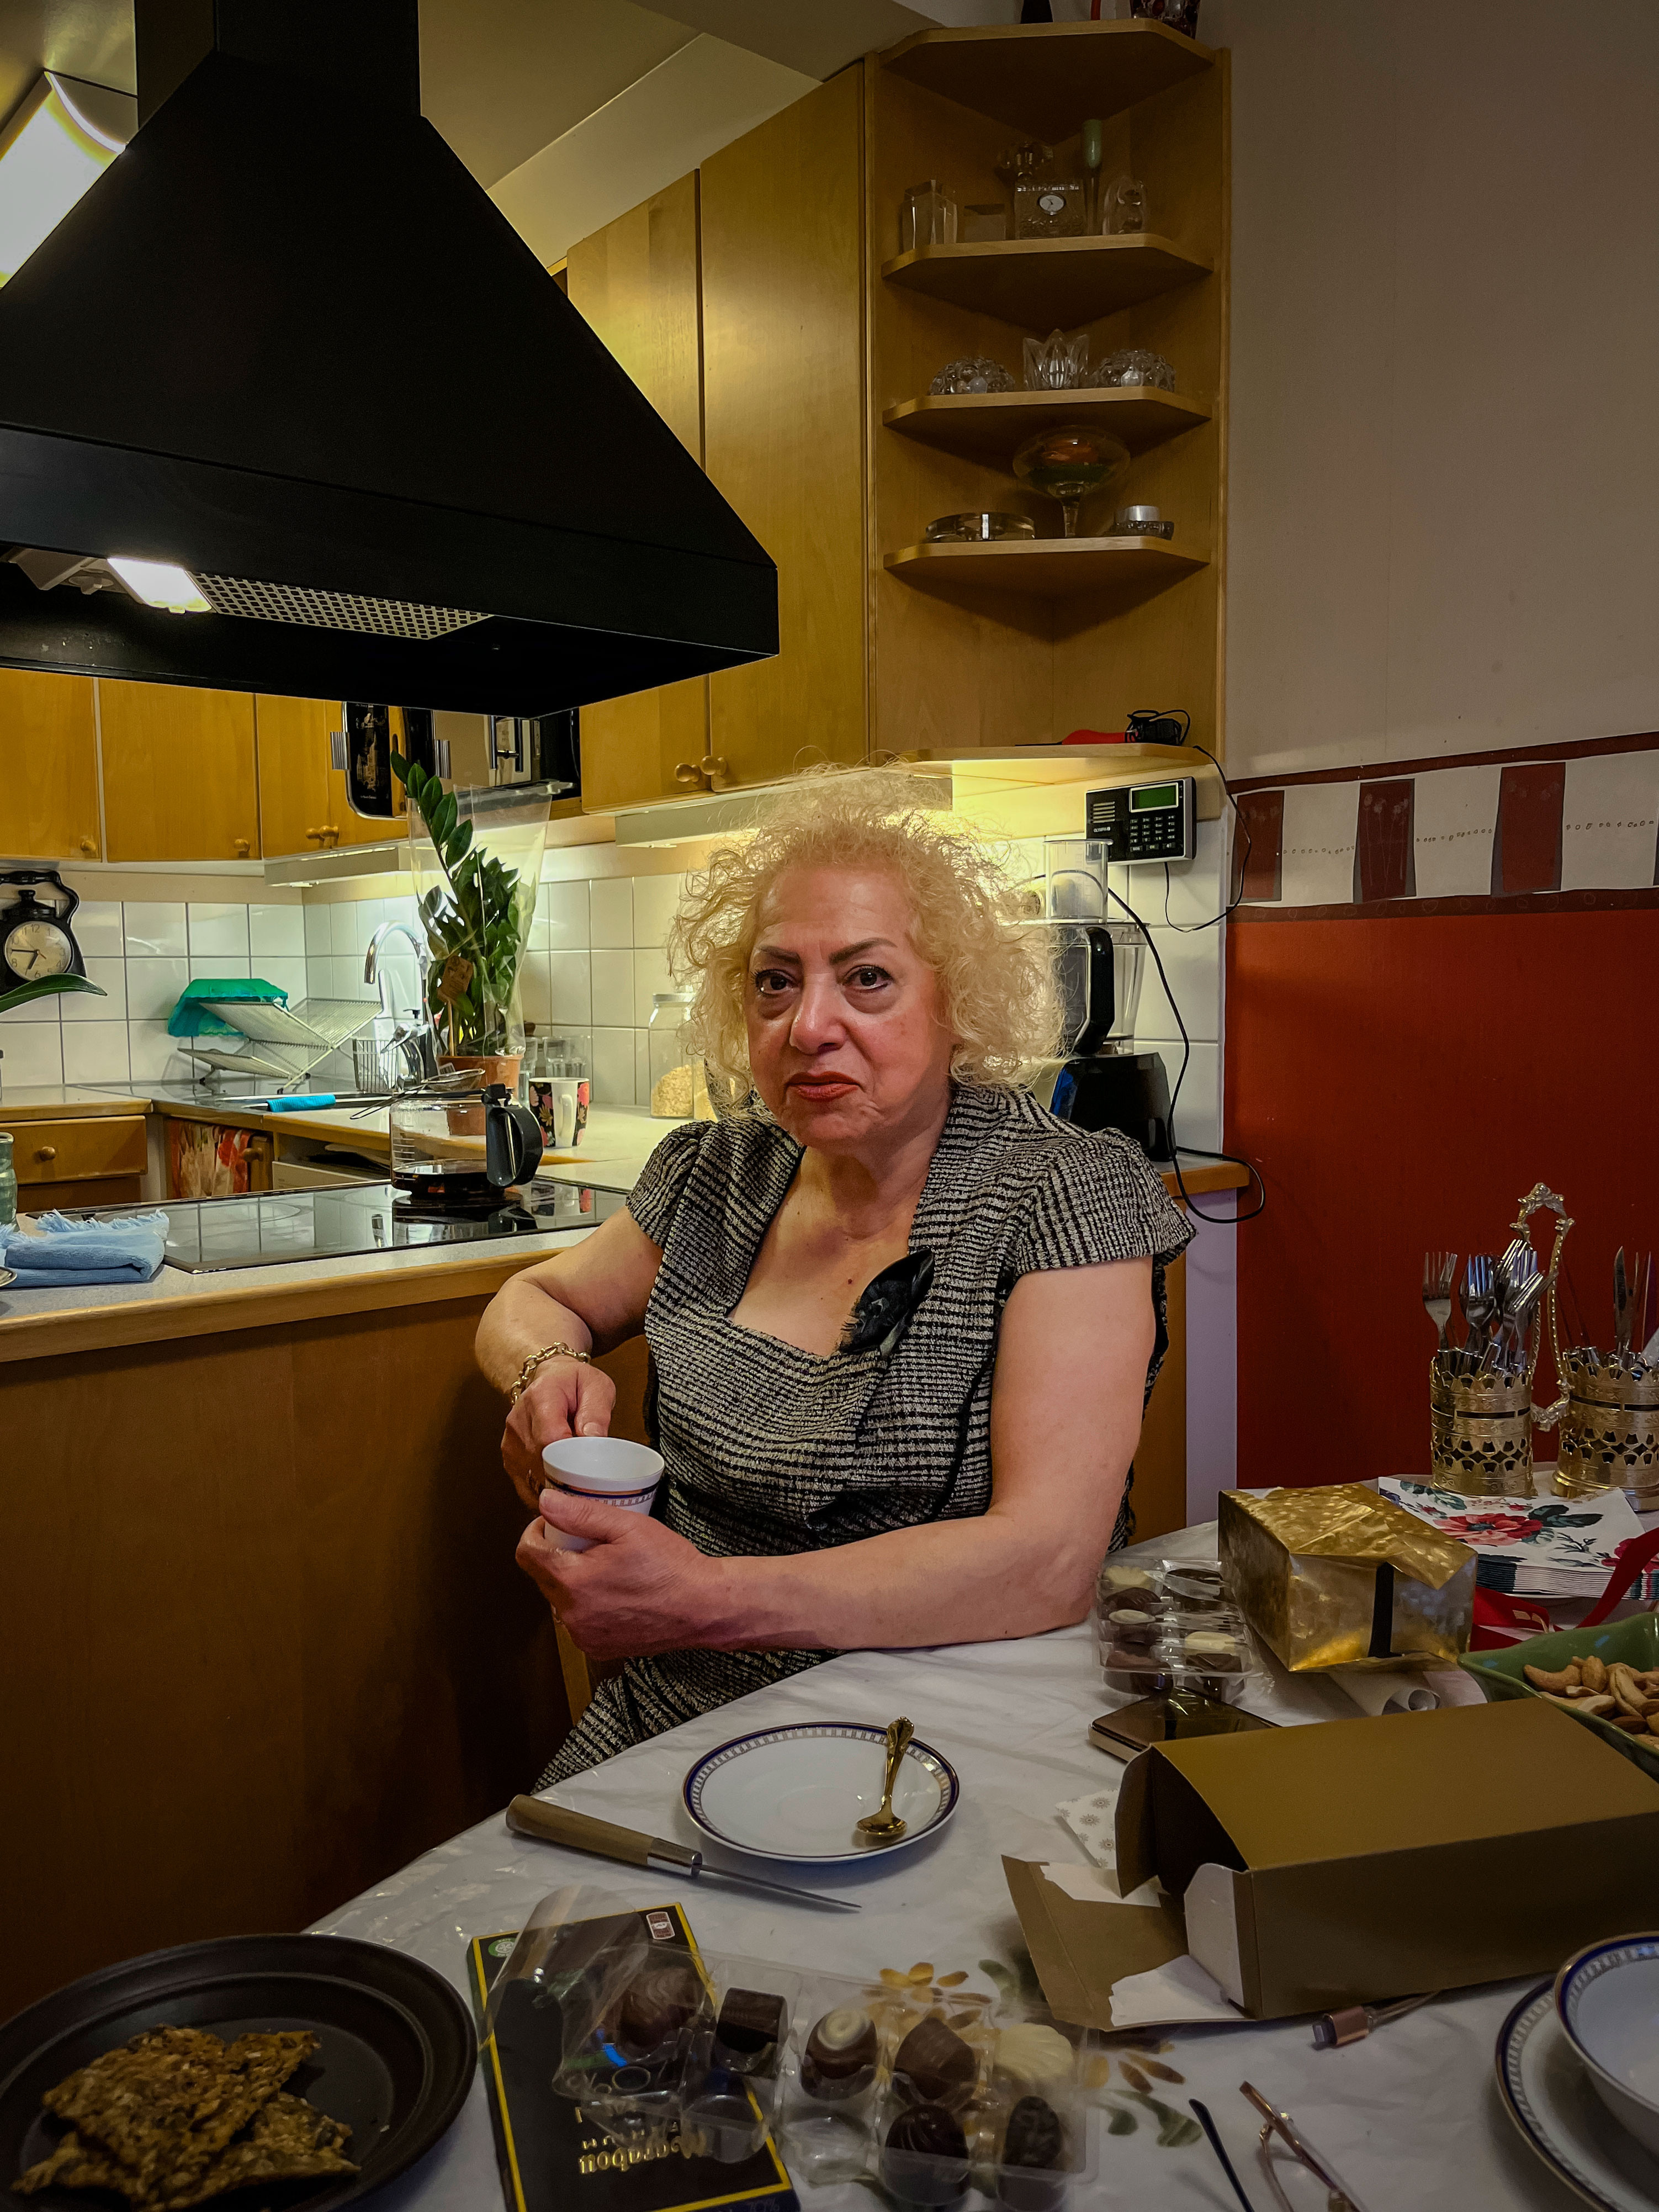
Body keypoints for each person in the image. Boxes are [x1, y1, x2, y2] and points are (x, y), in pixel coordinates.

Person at [475, 768, 1192, 1780]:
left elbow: (1045, 1563)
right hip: (667, 1722)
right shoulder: (712, 1172)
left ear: (956, 1001)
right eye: (776, 980)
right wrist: (541, 1367)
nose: (808, 1024)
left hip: (933, 1740)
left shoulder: (1058, 1195)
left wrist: (707, 1599)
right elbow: (530, 1299)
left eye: (866, 978)